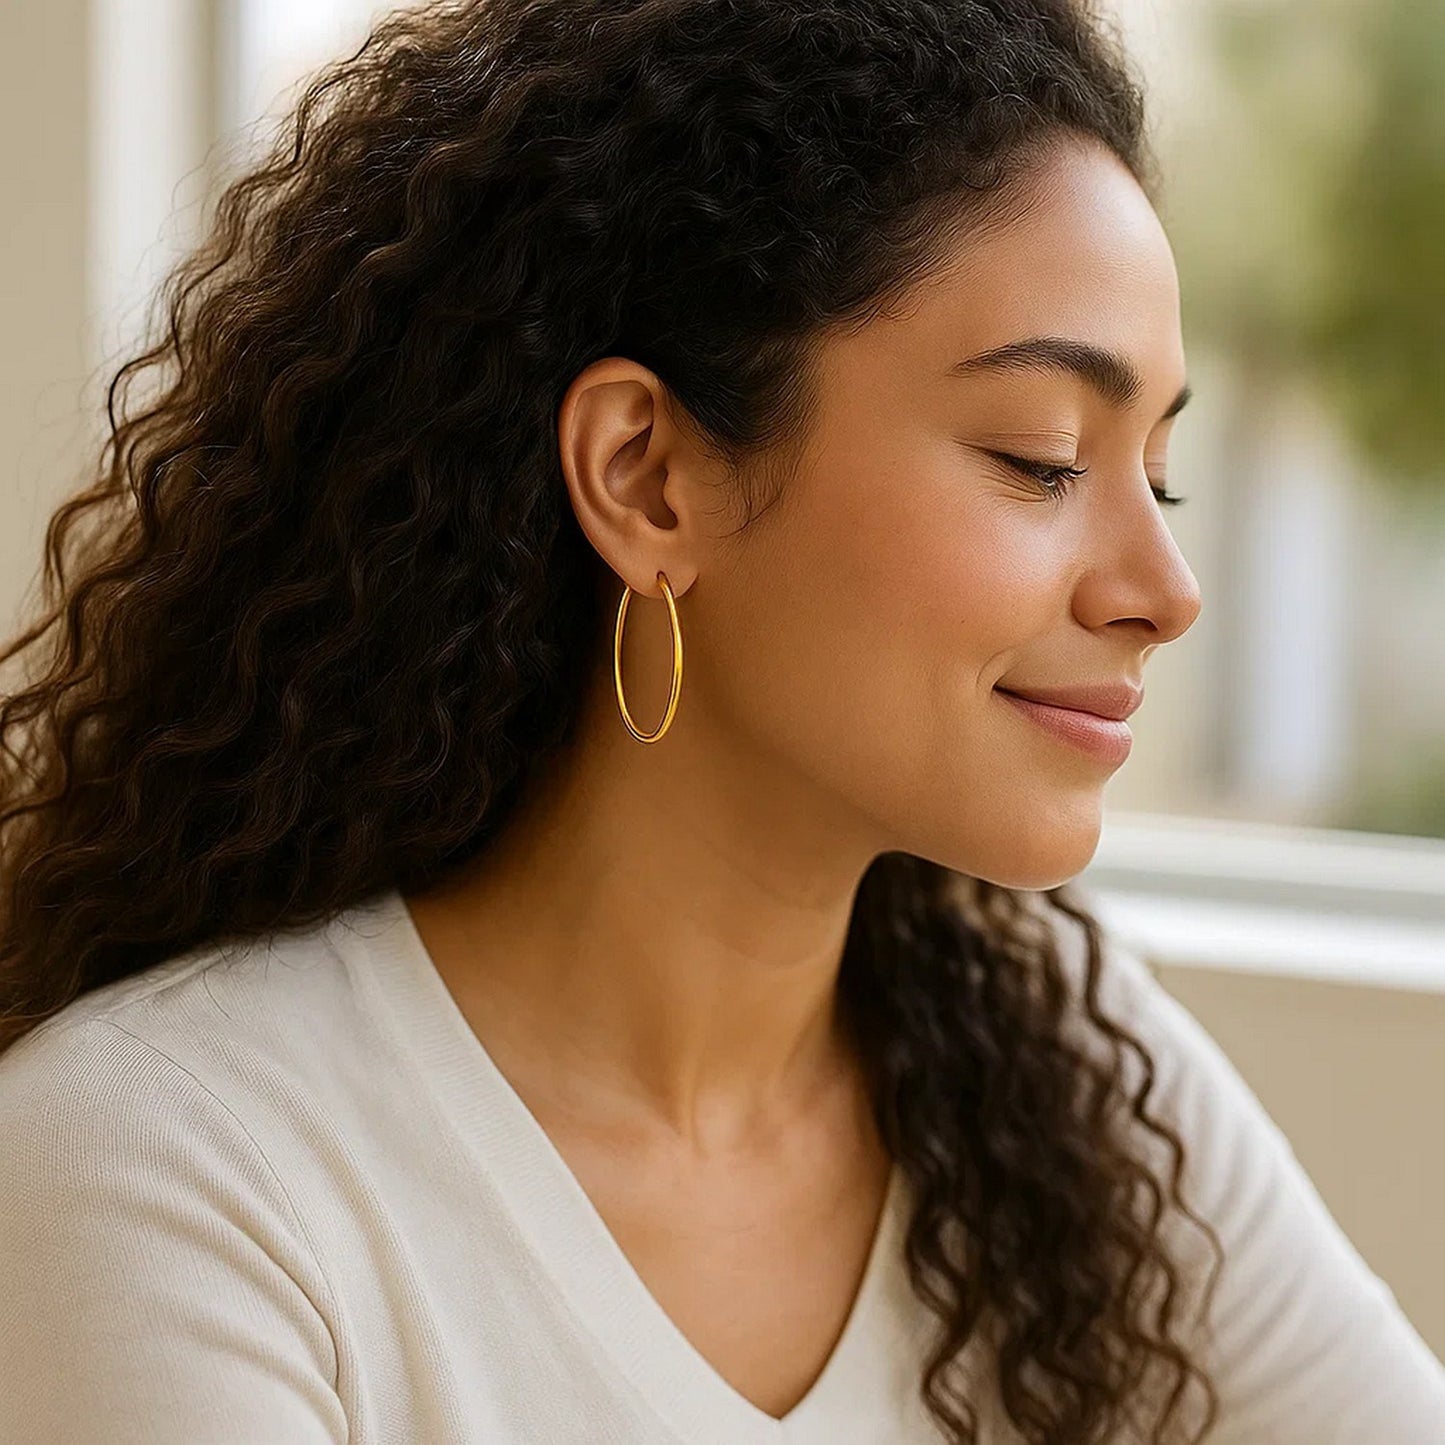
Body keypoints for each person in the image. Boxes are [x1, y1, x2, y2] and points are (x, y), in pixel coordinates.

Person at [1, 0, 1443, 1440]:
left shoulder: (1064, 1071)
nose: (1166, 591)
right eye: (1041, 457)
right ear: (647, 476)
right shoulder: (171, 1170)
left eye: (1160, 475)